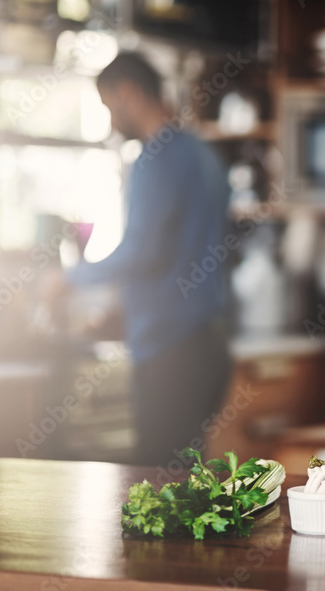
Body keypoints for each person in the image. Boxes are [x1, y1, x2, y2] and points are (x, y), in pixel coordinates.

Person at [48, 52, 232, 467]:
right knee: (185, 480)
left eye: (107, 107)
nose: (111, 121)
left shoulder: (157, 158)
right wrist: (122, 306)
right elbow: (184, 253)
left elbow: (142, 252)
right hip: (210, 347)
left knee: (157, 483)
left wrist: (68, 278)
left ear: (127, 93)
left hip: (171, 351)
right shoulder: (203, 155)